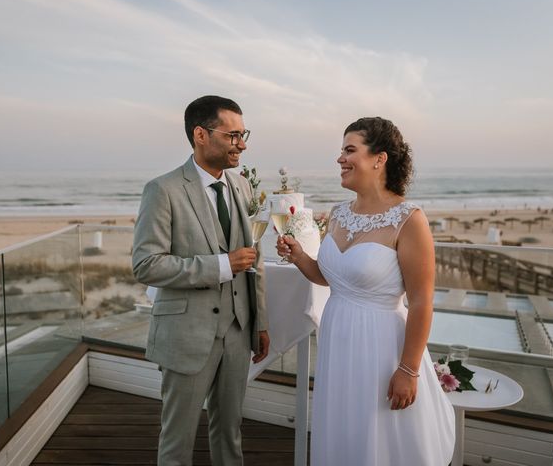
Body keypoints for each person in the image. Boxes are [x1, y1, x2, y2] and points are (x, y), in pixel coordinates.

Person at [278, 117, 455, 465]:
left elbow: (421, 302)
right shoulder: (338, 213)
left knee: (381, 434)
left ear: (379, 159)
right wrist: (299, 256)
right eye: (341, 151)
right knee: (345, 428)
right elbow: (333, 278)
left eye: (349, 150)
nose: (340, 159)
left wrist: (408, 369)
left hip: (382, 346)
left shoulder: (409, 219)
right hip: (337, 339)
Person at [133, 95, 270, 465]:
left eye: (244, 135)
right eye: (233, 135)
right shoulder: (162, 190)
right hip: (186, 334)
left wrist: (260, 323)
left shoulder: (241, 186)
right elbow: (147, 265)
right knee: (177, 440)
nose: (242, 144)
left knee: (230, 434)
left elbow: (253, 261)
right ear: (201, 135)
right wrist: (221, 266)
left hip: (239, 332)